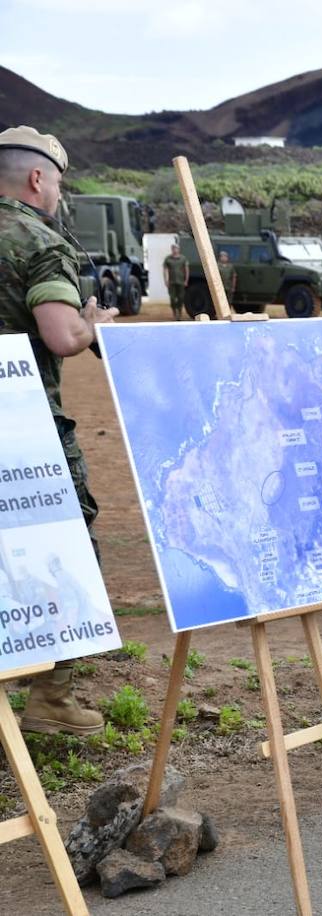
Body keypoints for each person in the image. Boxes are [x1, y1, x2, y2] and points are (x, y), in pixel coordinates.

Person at [0, 125, 115, 736]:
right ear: (39, 178)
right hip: (22, 427)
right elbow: (62, 335)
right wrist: (93, 323)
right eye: (58, 184)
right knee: (65, 545)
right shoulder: (39, 240)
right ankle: (51, 697)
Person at [164, 242, 189, 320]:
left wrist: (186, 280)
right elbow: (165, 270)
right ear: (172, 249)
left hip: (181, 281)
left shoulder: (183, 258)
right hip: (171, 282)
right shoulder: (168, 259)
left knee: (181, 298)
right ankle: (174, 312)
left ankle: (179, 313)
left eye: (176, 248)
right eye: (173, 248)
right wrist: (166, 280)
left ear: (179, 249)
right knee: (172, 298)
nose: (175, 250)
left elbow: (186, 270)